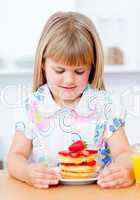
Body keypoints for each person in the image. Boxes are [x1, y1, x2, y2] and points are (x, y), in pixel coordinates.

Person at [7, 11, 134, 189]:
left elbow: (123, 152)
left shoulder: (106, 105)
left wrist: (125, 169)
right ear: (43, 63)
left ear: (92, 66)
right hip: (47, 194)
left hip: (98, 193)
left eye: (79, 71)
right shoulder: (32, 107)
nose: (69, 80)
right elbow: (14, 157)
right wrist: (28, 173)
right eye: (59, 71)